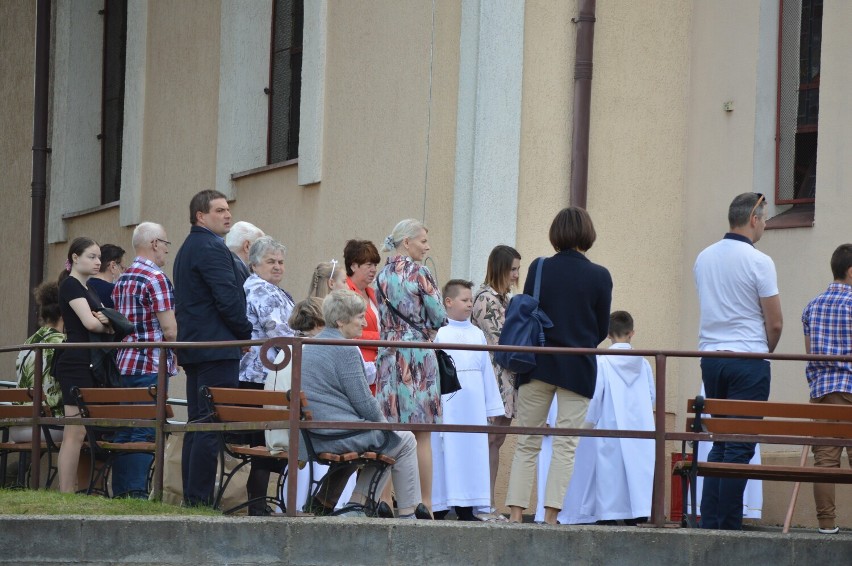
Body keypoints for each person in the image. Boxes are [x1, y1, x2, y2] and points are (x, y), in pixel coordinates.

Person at [505, 207, 612, 525]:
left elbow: (526, 312)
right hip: (577, 367)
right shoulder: (600, 276)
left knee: (527, 441)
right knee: (565, 445)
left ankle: (515, 514)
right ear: (588, 235)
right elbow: (601, 330)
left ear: (556, 234)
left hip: (536, 364)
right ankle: (551, 516)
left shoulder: (538, 268)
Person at [693, 192, 782, 530]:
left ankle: (711, 524)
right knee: (740, 446)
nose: (766, 225)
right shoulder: (759, 261)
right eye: (765, 218)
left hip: (711, 359)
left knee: (721, 442)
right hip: (748, 358)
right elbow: (774, 322)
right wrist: (764, 350)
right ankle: (729, 527)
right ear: (753, 219)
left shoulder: (704, 257)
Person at [301, 290, 425, 518]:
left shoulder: (312, 344)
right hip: (335, 433)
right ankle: (407, 514)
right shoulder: (345, 349)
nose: (364, 321)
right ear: (340, 321)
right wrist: (385, 425)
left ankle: (353, 505)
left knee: (391, 440)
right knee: (402, 439)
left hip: (316, 432)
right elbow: (364, 402)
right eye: (359, 316)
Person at [174, 190, 253, 507]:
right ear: (200, 216)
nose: (227, 215)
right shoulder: (211, 248)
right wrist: (245, 334)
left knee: (198, 423)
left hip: (198, 347)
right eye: (219, 210)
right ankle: (199, 501)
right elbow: (228, 299)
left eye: (228, 209)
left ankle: (193, 498)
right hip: (216, 348)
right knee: (210, 424)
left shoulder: (188, 247)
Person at [375, 218, 446, 516]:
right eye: (423, 241)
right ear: (407, 242)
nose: (427, 246)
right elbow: (440, 315)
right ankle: (424, 503)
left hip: (388, 353)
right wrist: (425, 330)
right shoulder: (420, 272)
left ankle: (384, 501)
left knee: (392, 431)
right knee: (423, 434)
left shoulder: (380, 275)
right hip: (416, 355)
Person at [559, 311, 655, 525]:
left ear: (608, 334)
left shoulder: (602, 362)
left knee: (609, 470)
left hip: (609, 422)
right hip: (640, 425)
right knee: (637, 468)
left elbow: (596, 396)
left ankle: (609, 515)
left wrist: (587, 424)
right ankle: (637, 512)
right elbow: (651, 396)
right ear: (632, 333)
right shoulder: (644, 363)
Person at [109, 222, 178, 498]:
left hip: (123, 362)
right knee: (144, 430)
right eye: (165, 244)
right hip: (149, 362)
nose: (166, 250)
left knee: (125, 429)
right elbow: (170, 330)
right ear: (154, 244)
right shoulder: (156, 277)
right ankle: (137, 493)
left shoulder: (122, 279)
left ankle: (122, 491)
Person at [431, 279, 503, 521]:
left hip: (473, 405)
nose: (470, 304)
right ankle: (440, 506)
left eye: (471, 300)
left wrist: (491, 406)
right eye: (465, 300)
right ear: (448, 302)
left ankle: (467, 507)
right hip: (450, 403)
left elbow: (486, 371)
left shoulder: (477, 334)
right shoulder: (440, 334)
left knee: (472, 452)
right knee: (446, 452)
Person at [238, 236, 295, 514]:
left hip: (263, 376)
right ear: (253, 265)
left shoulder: (269, 289)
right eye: (270, 261)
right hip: (261, 378)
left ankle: (259, 503)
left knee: (266, 442)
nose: (277, 267)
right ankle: (257, 505)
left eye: (281, 262)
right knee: (265, 443)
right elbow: (280, 332)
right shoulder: (262, 291)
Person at [54, 237, 114, 493]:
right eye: (91, 256)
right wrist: (109, 325)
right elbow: (90, 324)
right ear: (75, 258)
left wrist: (106, 323)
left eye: (99, 257)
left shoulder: (89, 288)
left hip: (88, 362)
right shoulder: (71, 285)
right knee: (74, 433)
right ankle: (66, 492)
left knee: (81, 433)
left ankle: (73, 490)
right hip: (75, 362)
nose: (97, 261)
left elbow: (99, 321)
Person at [802, 243, 852, 534]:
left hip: (821, 392)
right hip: (850, 389)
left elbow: (809, 354)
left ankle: (826, 524)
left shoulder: (812, 305)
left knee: (825, 460)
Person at [471, 244, 521, 514]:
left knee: (497, 441)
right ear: (500, 268)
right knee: (489, 440)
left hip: (508, 378)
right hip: (493, 377)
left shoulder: (506, 299)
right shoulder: (485, 298)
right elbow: (499, 339)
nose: (516, 275)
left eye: (518, 269)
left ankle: (489, 502)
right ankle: (483, 503)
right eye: (512, 269)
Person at [12, 281, 66, 442]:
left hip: (18, 426)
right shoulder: (64, 343)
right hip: (47, 426)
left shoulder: (29, 342)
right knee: (85, 431)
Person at [344, 239, 382, 395]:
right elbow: (346, 332)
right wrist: (383, 340)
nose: (373, 269)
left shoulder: (373, 293)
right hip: (358, 366)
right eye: (368, 265)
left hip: (377, 366)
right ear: (353, 265)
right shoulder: (345, 291)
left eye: (375, 265)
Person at [87, 243, 126, 309]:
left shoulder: (84, 286)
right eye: (122, 268)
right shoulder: (115, 290)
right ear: (113, 266)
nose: (123, 273)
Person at [225, 220, 265, 285]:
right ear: (247, 246)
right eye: (260, 248)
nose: (263, 254)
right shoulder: (237, 270)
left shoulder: (222, 264)